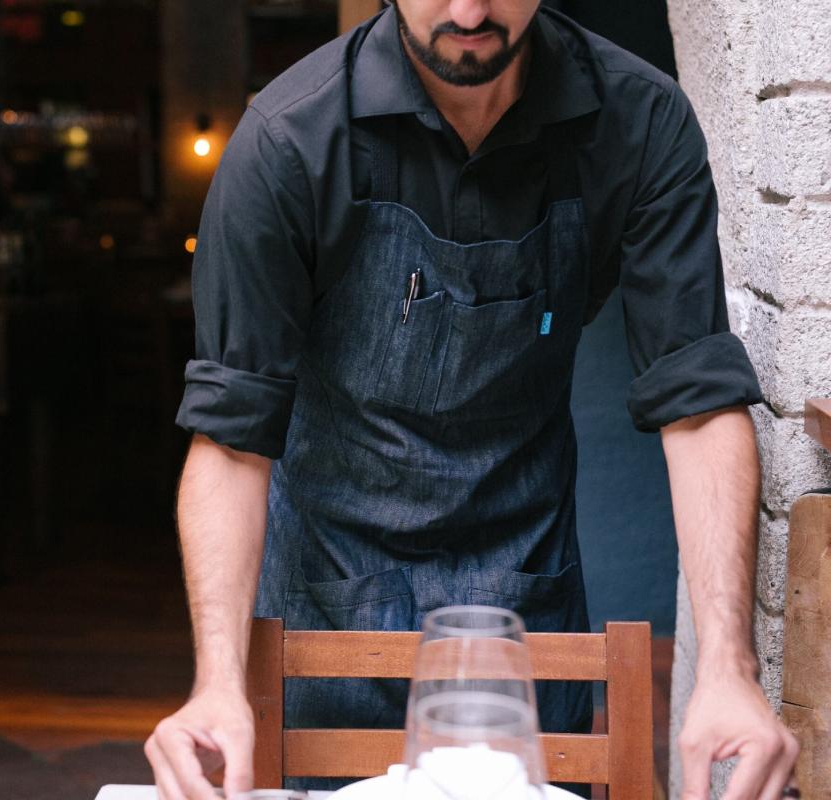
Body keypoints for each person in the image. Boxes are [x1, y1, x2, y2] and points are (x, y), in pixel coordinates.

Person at [145, 1, 800, 798]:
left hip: (523, 586)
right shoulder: (289, 142)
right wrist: (216, 681)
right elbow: (232, 439)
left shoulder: (638, 119)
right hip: (329, 586)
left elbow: (695, 402)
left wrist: (730, 668)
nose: (467, 10)